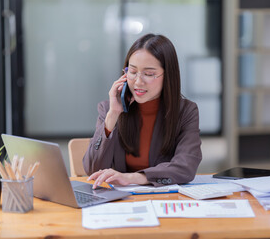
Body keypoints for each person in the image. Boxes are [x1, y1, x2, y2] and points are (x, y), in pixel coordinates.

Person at [83, 33, 202, 189]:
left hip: (164, 199)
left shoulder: (186, 111)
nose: (138, 82)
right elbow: (93, 169)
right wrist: (113, 114)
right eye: (132, 72)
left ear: (168, 76)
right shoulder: (109, 109)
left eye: (149, 74)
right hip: (119, 203)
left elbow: (186, 168)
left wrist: (133, 178)